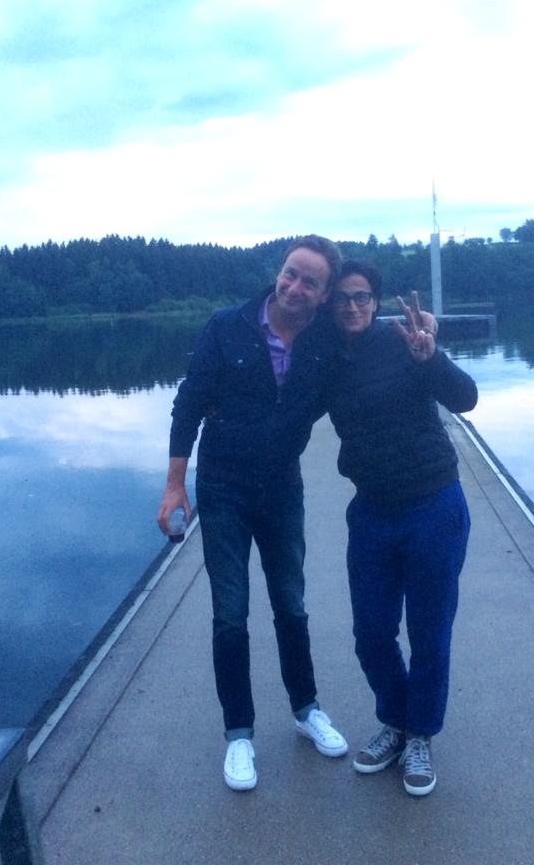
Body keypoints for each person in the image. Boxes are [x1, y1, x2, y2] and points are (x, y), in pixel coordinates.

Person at [157, 235, 348, 792]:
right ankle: (239, 734)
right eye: (291, 273)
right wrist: (174, 485)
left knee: (291, 603)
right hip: (224, 490)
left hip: (282, 488)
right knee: (230, 613)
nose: (295, 286)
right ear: (279, 271)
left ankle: (306, 709)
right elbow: (189, 404)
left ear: (324, 293)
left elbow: (362, 370)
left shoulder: (326, 339)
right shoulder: (227, 326)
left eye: (310, 281)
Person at [324, 260, 478, 797]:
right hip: (371, 511)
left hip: (433, 505)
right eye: (342, 297)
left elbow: (465, 398)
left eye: (362, 296)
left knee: (429, 632)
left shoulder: (403, 342)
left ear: (375, 302)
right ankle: (395, 719)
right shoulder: (326, 357)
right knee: (371, 633)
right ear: (329, 303)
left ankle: (420, 735)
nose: (352, 306)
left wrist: (430, 357)